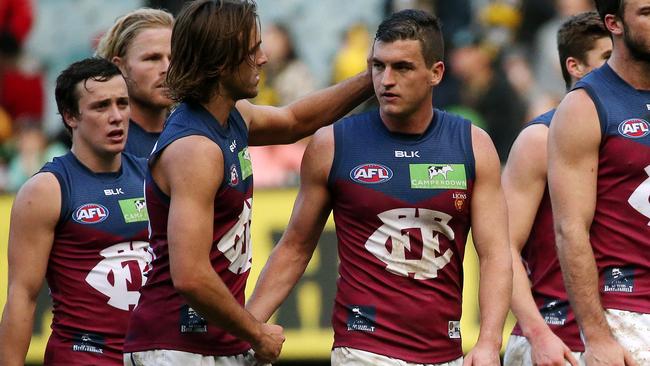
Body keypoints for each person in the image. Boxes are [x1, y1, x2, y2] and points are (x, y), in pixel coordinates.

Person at [246, 9, 512, 366]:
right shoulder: (332, 144)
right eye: (378, 66)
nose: (387, 79)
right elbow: (294, 247)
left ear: (436, 73)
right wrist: (248, 328)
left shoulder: (473, 145)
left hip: (445, 352)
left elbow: (495, 254)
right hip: (362, 350)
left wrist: (489, 342)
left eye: (402, 67)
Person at [123, 0, 373, 365]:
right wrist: (256, 332)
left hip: (209, 343)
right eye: (253, 50)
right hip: (177, 349)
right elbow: (190, 276)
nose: (264, 59)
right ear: (222, 62)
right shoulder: (196, 150)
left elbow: (293, 121)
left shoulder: (230, 116)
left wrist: (370, 79)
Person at [0, 58, 152, 365]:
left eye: (122, 103)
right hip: (83, 356)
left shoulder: (155, 174)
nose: (116, 116)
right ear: (70, 116)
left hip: (151, 355)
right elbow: (22, 298)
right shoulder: (46, 190)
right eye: (101, 106)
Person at [502, 11, 611, 366]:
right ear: (574, 66)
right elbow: (501, 249)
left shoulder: (629, 135)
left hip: (619, 336)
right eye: (608, 59)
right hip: (556, 342)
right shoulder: (539, 139)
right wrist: (538, 334)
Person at [547, 0, 650, 364]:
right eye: (648, 12)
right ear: (614, 23)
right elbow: (570, 228)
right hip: (628, 312)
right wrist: (597, 336)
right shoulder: (585, 105)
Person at [96, 8, 173, 158]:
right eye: (152, 58)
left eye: (173, 58)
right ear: (119, 67)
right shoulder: (106, 146)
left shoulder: (193, 131)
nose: (167, 68)